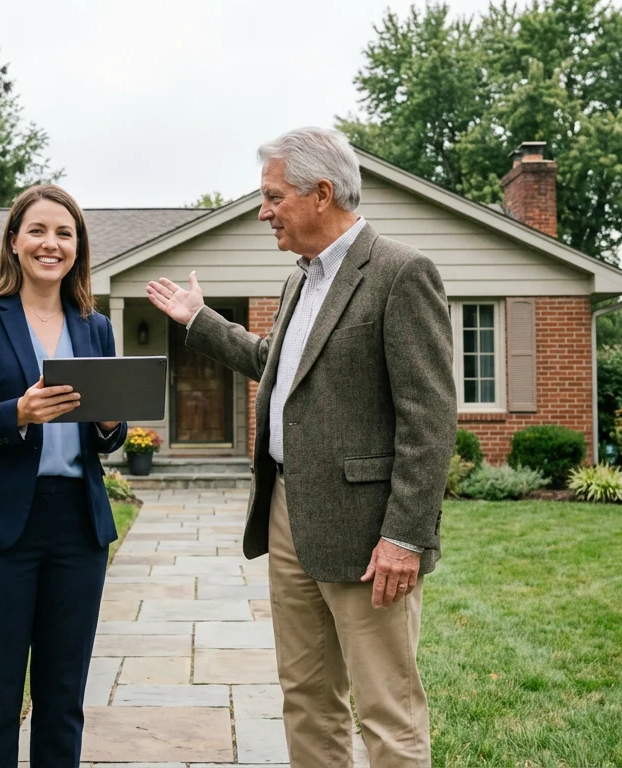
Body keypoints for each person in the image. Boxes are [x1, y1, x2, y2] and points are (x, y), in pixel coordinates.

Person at [146, 127, 456, 768]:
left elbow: (429, 418)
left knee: (385, 711)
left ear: (321, 193)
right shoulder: (299, 281)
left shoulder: (400, 274)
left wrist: (405, 536)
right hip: (288, 512)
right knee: (307, 696)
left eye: (272, 197)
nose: (263, 212)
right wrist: (199, 320)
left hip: (367, 533)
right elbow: (275, 360)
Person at [0, 184, 127, 767]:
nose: (51, 243)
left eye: (65, 233)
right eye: (38, 231)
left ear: (78, 248)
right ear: (14, 242)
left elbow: (105, 439)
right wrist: (14, 413)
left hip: (77, 531)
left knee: (64, 701)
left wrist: (110, 423)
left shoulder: (94, 327)